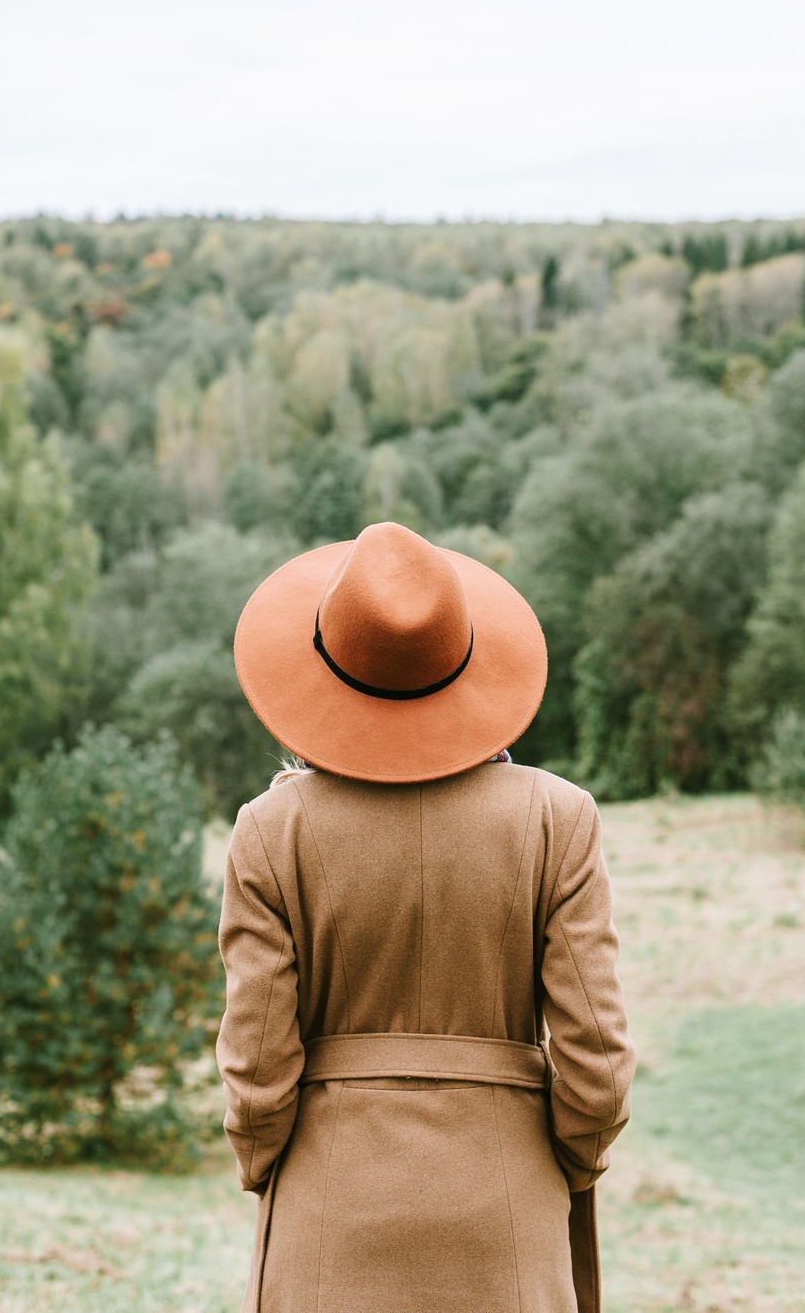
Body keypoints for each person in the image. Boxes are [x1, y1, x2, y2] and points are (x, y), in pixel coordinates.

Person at [217, 521, 636, 1313]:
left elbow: (256, 1069)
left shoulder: (271, 831)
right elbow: (600, 1069)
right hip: (509, 1225)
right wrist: (558, 1166)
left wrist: (268, 1164)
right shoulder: (560, 818)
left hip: (325, 1223)